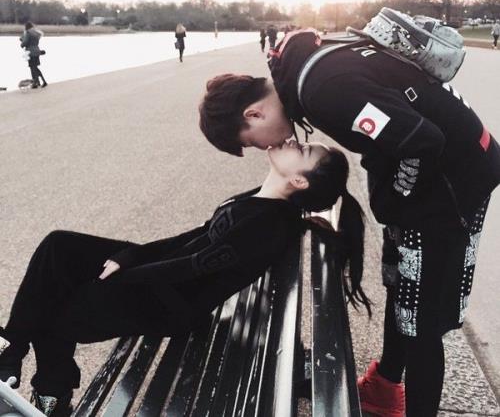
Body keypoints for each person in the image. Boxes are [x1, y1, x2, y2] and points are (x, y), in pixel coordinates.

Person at [198, 30, 500, 417]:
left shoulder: (324, 90)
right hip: (444, 172)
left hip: (451, 183)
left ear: (253, 115)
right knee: (402, 285)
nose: (267, 148)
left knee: (421, 322)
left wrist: (394, 199)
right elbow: (396, 136)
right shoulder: (311, 69)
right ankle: (385, 387)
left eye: (253, 142)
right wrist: (393, 203)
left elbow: (423, 141)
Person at [0, 140, 369, 416]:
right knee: (59, 247)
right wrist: (130, 256)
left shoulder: (267, 225)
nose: (291, 141)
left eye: (302, 149)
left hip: (168, 303)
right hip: (165, 279)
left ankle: (48, 397)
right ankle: (11, 354)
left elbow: (193, 267)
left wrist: (121, 278)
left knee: (56, 307)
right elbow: (194, 238)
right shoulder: (260, 200)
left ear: (299, 180)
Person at [20, 22, 48, 89]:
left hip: (30, 52)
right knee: (35, 67)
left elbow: (25, 42)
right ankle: (41, 81)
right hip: (37, 51)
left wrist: (22, 44)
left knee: (32, 67)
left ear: (26, 27)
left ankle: (36, 83)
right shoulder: (36, 33)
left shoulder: (28, 33)